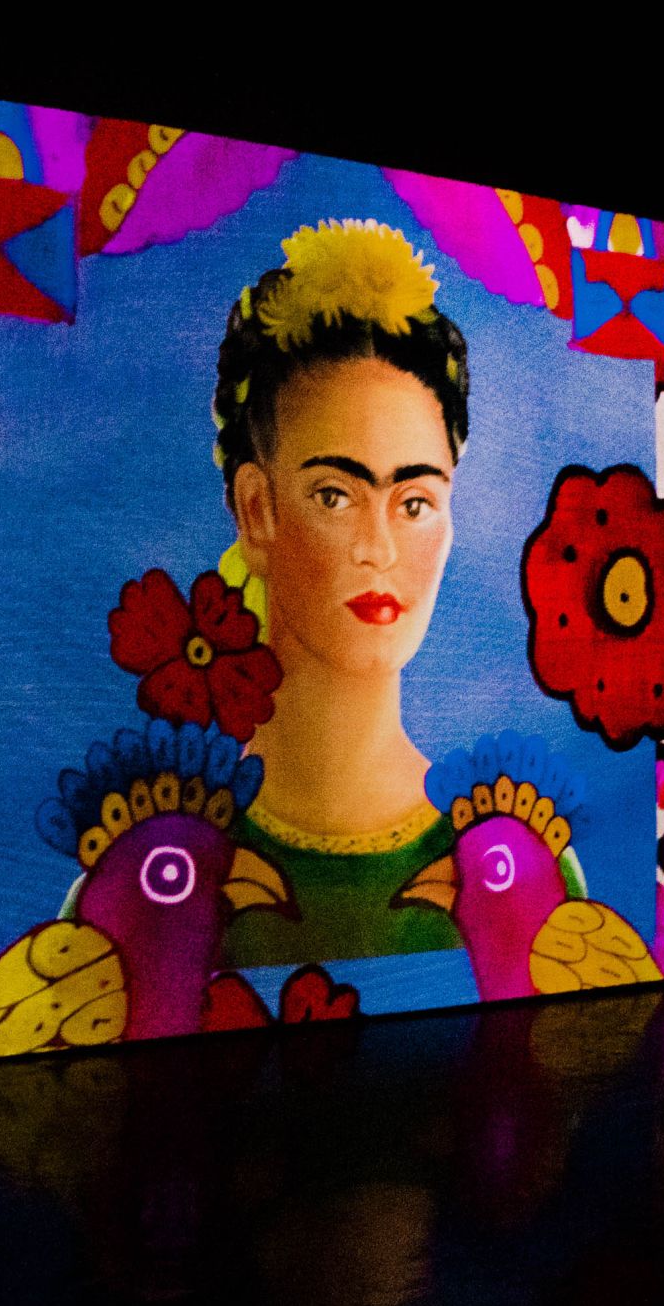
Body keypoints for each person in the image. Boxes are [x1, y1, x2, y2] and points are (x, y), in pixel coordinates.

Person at [211, 219, 584, 967]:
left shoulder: (515, 869)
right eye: (335, 495)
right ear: (257, 512)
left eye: (414, 502)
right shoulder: (162, 873)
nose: (378, 549)